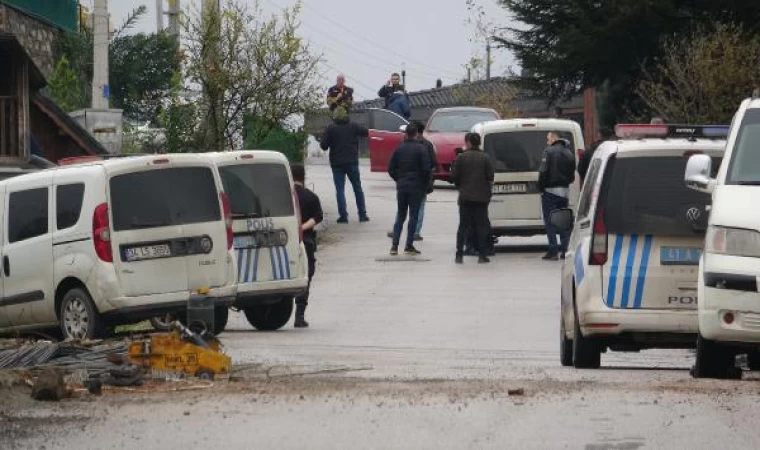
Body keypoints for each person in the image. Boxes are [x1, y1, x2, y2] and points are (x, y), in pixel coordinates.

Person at [386, 120, 436, 241]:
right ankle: (415, 233)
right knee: (417, 209)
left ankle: (400, 232)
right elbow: (431, 166)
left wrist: (399, 179)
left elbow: (391, 168)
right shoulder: (427, 145)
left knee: (403, 210)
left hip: (406, 184)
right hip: (419, 184)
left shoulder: (403, 146)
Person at [320, 111, 370, 224]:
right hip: (352, 162)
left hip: (337, 164)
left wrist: (326, 134)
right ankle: (362, 215)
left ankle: (343, 216)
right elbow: (366, 132)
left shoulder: (331, 129)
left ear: (335, 118)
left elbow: (323, 146)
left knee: (340, 190)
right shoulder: (353, 126)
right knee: (357, 188)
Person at [451, 132, 494, 264]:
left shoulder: (461, 158)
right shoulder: (485, 158)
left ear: (468, 142)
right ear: (479, 142)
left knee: (463, 226)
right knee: (481, 226)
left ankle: (459, 254)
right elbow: (490, 177)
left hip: (465, 198)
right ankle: (482, 255)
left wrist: (461, 187)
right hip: (481, 199)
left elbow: (454, 178)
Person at [291, 163, 323, 328]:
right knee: (306, 275)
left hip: (287, 242)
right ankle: (300, 315)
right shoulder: (311, 197)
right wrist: (303, 228)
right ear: (303, 177)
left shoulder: (284, 196)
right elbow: (318, 217)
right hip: (307, 241)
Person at [538, 131, 576, 261]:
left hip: (550, 191)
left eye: (548, 139)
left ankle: (553, 251)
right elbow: (572, 175)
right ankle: (565, 250)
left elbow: (543, 171)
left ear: (554, 139)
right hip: (564, 191)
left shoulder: (548, 152)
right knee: (563, 221)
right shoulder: (569, 153)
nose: (547, 141)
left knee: (550, 221)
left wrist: (541, 187)